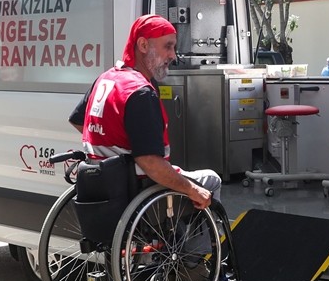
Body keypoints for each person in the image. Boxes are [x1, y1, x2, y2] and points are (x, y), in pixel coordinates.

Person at [69, 14, 220, 208]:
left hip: (103, 182)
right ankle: (207, 239)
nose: (173, 55)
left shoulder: (106, 78)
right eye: (168, 46)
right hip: (139, 188)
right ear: (143, 45)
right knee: (211, 181)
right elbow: (150, 162)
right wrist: (192, 190)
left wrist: (113, 152)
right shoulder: (140, 92)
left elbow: (78, 120)